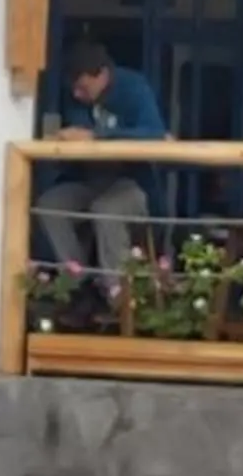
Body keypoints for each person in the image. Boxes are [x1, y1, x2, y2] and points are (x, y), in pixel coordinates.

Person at [38, 39, 168, 294]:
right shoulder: (78, 99)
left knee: (106, 209)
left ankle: (117, 295)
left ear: (103, 75)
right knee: (49, 206)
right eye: (73, 89)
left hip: (133, 185)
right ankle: (77, 280)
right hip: (89, 180)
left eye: (82, 88)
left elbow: (154, 133)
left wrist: (99, 136)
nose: (77, 95)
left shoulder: (134, 88)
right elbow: (79, 135)